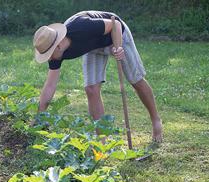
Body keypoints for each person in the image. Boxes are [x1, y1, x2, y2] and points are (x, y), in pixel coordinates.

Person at [30, 11, 163, 142]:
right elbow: (50, 85)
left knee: (136, 80)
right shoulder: (56, 53)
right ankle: (101, 141)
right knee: (91, 89)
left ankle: (156, 120)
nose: (49, 59)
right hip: (93, 46)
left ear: (58, 45)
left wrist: (119, 48)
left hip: (116, 35)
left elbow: (115, 24)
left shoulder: (82, 27)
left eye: (49, 55)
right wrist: (38, 117)